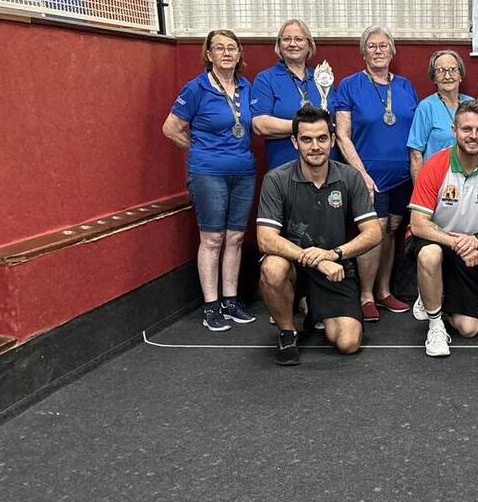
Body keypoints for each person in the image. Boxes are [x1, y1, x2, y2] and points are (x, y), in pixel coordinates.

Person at [256, 106, 383, 364]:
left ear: (333, 140)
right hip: (295, 265)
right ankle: (287, 332)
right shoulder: (276, 179)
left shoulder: (350, 177)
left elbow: (373, 233)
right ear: (295, 142)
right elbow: (265, 239)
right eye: (306, 139)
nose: (315, 146)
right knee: (272, 267)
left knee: (348, 343)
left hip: (335, 267)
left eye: (322, 138)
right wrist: (315, 260)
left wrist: (333, 254)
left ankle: (311, 305)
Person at [161, 29, 257, 331]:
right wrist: (201, 149)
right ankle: (211, 305)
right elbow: (170, 128)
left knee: (236, 237)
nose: (226, 53)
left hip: (243, 171)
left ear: (239, 54)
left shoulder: (246, 86)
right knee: (213, 238)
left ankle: (230, 300)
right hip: (208, 173)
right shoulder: (196, 88)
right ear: (209, 54)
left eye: (232, 48)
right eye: (219, 48)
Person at [407, 99, 478, 358]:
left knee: (469, 328)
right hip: (432, 239)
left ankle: (435, 296)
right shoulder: (434, 165)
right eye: (467, 129)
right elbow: (417, 224)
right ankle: (435, 325)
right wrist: (458, 244)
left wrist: (476, 239)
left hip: (469, 247)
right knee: (430, 254)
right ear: (454, 130)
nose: (473, 136)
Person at [333, 26, 418, 321]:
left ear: (392, 52)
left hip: (402, 177)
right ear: (363, 53)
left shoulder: (406, 86)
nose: (378, 50)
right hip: (368, 176)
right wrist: (361, 175)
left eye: (384, 46)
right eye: (372, 46)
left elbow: (414, 135)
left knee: (392, 230)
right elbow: (342, 135)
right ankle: (366, 295)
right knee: (374, 231)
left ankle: (384, 291)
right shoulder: (349, 85)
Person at [250, 18, 331, 169]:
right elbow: (260, 125)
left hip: (325, 168)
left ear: (309, 45)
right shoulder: (266, 79)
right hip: (285, 168)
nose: (293, 44)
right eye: (286, 39)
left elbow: (334, 119)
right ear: (279, 45)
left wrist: (285, 129)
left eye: (299, 39)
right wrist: (306, 127)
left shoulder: (322, 77)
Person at [408, 49, 473, 183]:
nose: (447, 76)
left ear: (461, 75)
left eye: (453, 70)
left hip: (470, 180)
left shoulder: (472, 104)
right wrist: (420, 192)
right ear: (434, 78)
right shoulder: (426, 107)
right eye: (440, 71)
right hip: (437, 181)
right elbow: (416, 154)